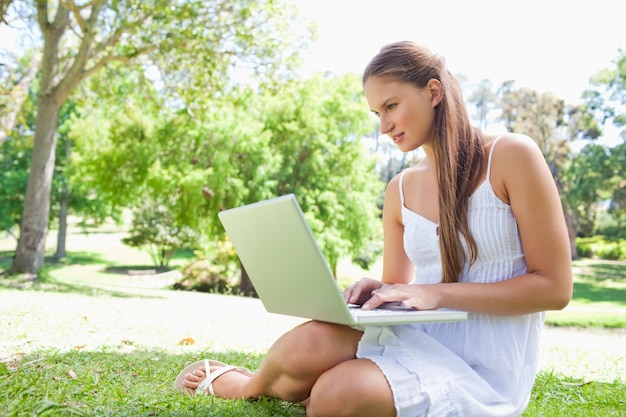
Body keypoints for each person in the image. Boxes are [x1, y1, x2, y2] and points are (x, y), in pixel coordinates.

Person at [175, 41, 573, 417]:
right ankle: (249, 387)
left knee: (338, 394)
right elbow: (400, 288)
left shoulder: (511, 155)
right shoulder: (399, 188)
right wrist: (380, 290)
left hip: (484, 367)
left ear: (433, 92)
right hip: (415, 341)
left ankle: (314, 395)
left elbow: (554, 288)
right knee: (312, 339)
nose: (384, 126)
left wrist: (434, 293)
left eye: (391, 106)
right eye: (376, 113)